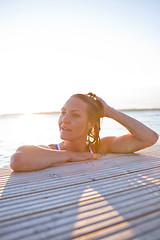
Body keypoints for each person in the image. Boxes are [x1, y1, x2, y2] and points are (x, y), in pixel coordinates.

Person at [10, 93, 159, 172]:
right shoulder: (50, 150)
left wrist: (109, 111)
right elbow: (18, 160)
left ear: (90, 124)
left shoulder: (100, 147)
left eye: (75, 115)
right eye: (63, 112)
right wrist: (71, 155)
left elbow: (149, 138)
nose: (64, 120)